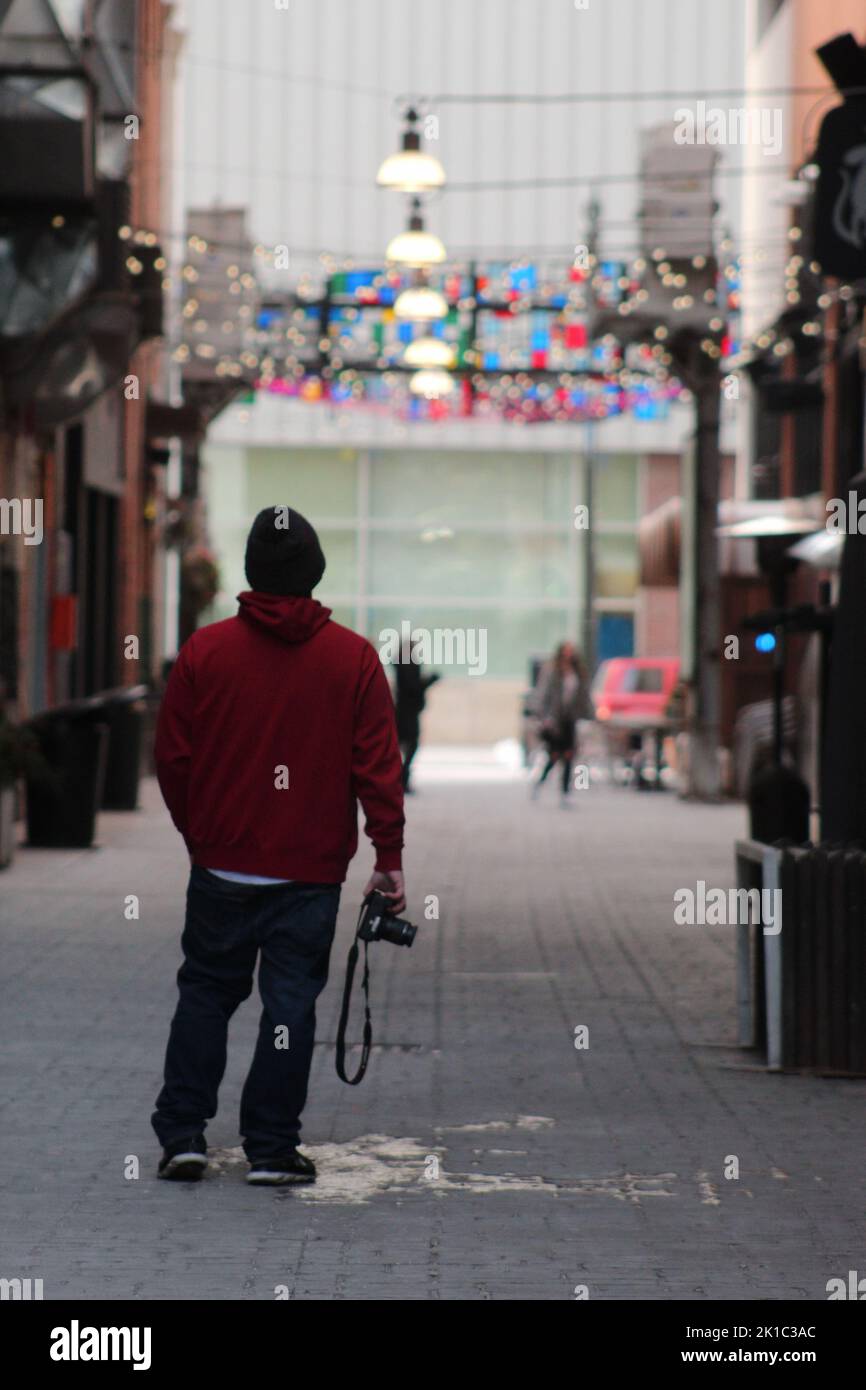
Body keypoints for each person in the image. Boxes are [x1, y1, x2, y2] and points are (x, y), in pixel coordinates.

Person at [152, 506, 405, 1187]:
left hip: (223, 868)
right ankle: (269, 1147)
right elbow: (378, 767)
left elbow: (172, 759)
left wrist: (198, 832)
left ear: (251, 571)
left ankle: (183, 1135)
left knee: (206, 993)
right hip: (309, 872)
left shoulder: (205, 654)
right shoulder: (352, 659)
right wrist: (388, 858)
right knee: (290, 1006)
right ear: (315, 572)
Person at [531, 641, 593, 804]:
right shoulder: (552, 671)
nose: (568, 654)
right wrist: (542, 716)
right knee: (553, 756)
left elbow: (584, 697)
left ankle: (565, 793)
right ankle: (540, 783)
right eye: (566, 651)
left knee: (569, 756)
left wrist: (589, 716)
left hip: (570, 720)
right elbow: (543, 694)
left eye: (571, 651)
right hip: (554, 720)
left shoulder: (578, 673)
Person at [394, 655, 440, 793]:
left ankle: (401, 777)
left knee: (407, 745)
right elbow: (413, 688)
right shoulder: (406, 667)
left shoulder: (405, 666)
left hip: (406, 712)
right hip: (406, 713)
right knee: (408, 744)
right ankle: (401, 777)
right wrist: (429, 681)